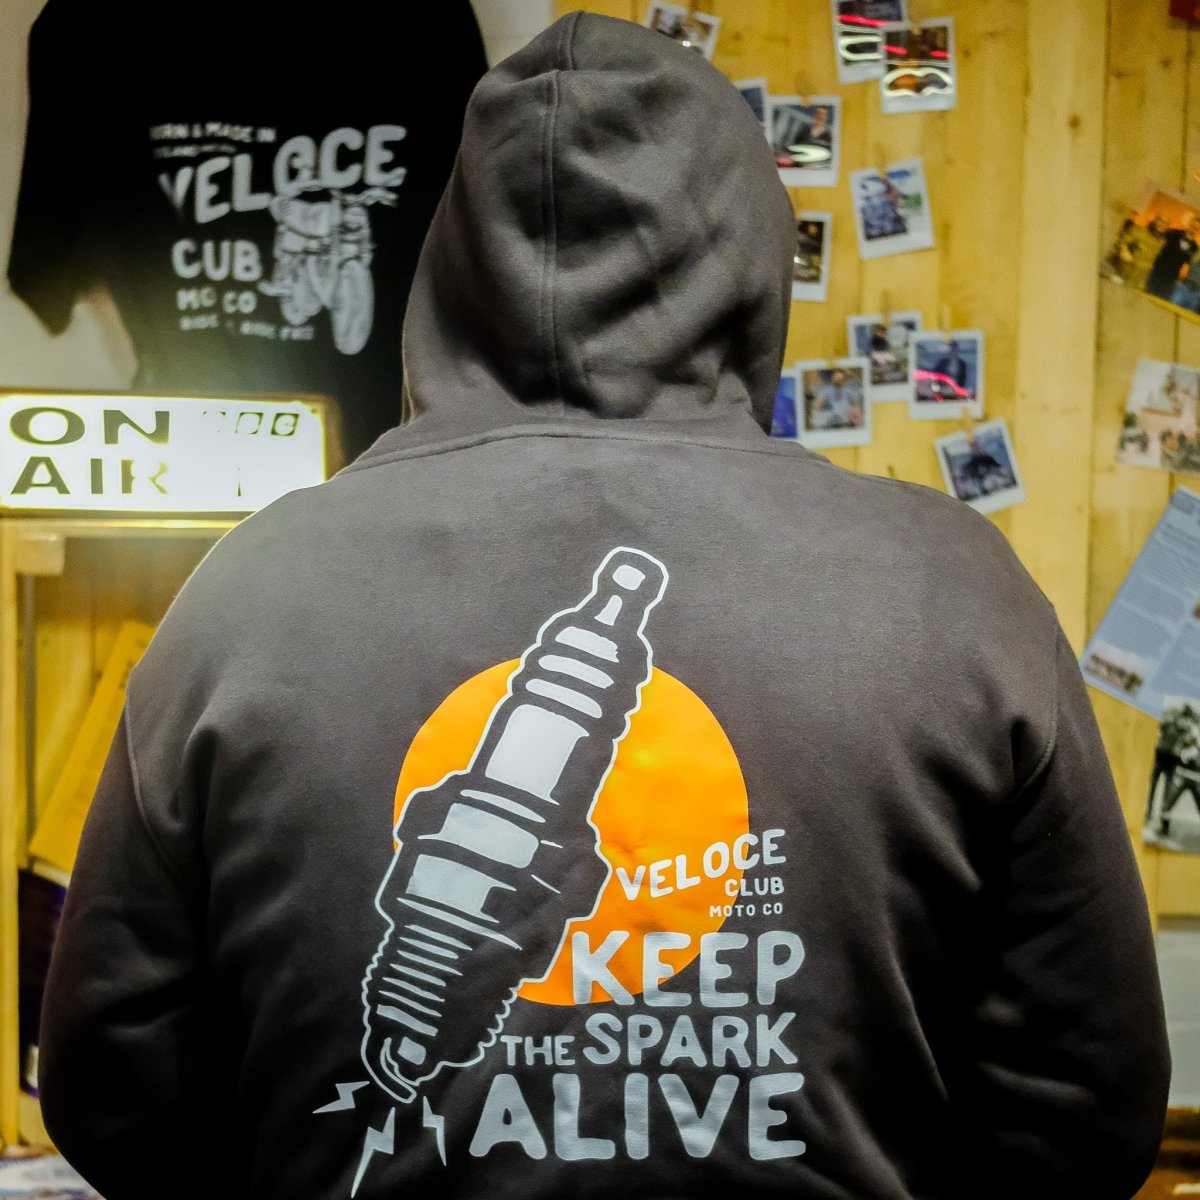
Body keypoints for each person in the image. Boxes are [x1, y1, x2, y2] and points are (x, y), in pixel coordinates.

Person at [40, 13, 1169, 1200]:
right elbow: (1086, 1101)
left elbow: (117, 1087)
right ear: (747, 257)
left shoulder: (247, 591)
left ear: (447, 264)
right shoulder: (952, 590)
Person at [1146, 214, 1200, 299]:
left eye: (1196, 227)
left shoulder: (1194, 246)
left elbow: (1187, 264)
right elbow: (1156, 241)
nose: (1194, 228)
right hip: (1156, 273)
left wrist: (1180, 279)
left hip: (1171, 280)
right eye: (1193, 225)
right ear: (1189, 224)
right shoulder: (1173, 233)